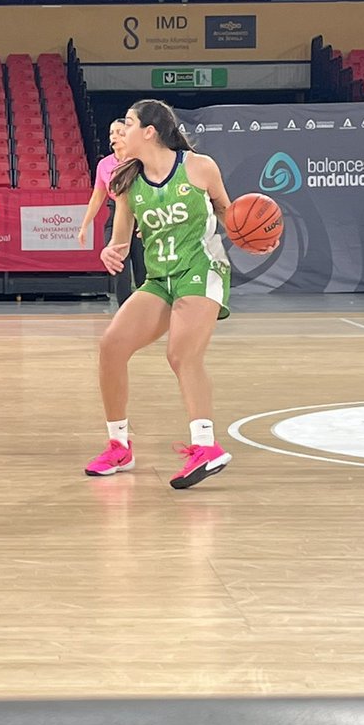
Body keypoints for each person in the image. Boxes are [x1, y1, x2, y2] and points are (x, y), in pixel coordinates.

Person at [85, 98, 247, 489]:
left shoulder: (199, 167)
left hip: (201, 269)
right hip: (160, 279)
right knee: (111, 347)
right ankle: (119, 445)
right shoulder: (125, 181)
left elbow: (229, 214)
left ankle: (206, 445)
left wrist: (253, 232)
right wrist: (112, 250)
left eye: (128, 122)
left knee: (181, 354)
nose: (121, 129)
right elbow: (122, 239)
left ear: (150, 132)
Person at [77, 118, 145, 307]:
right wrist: (84, 225)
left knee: (143, 269)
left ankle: (148, 310)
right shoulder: (104, 164)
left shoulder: (141, 161)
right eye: (111, 132)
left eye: (120, 132)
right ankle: (125, 311)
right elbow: (97, 197)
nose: (114, 136)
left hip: (141, 214)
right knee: (118, 267)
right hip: (115, 215)